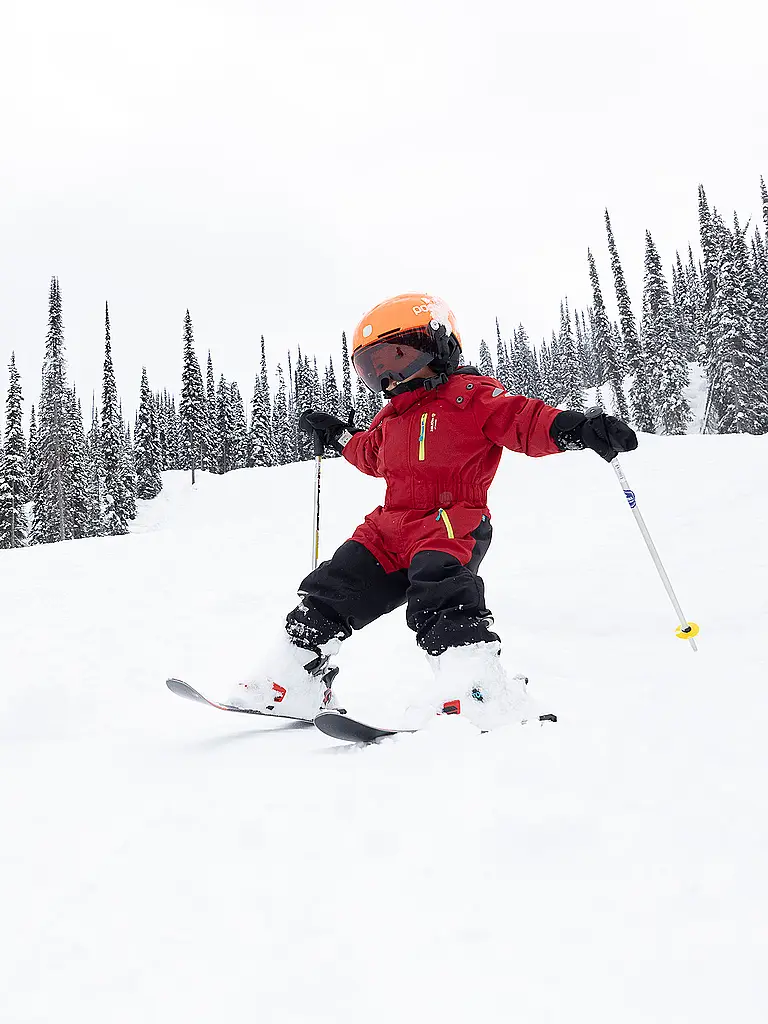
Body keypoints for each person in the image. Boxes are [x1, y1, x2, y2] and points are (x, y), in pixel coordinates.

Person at [233, 294, 638, 728]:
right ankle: (292, 677)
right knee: (336, 583)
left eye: (399, 358)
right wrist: (336, 435)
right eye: (374, 368)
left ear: (438, 347)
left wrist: (574, 427)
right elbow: (369, 455)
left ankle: (477, 687)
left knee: (438, 586)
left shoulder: (471, 396)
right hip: (388, 527)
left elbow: (522, 420)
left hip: (451, 521)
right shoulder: (391, 417)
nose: (388, 375)